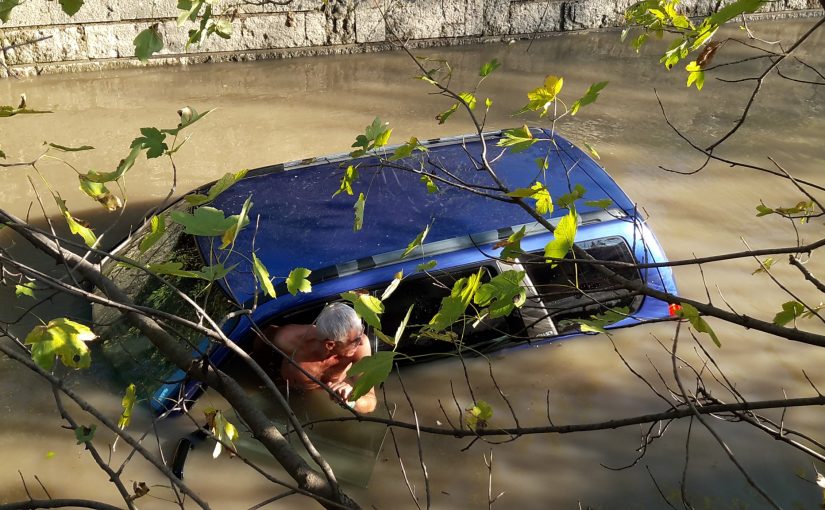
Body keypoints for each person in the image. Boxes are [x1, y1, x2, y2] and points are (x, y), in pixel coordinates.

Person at [259, 302, 377, 413]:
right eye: (355, 340)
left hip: (327, 398)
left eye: (362, 331)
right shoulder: (287, 339)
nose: (361, 341)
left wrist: (352, 399)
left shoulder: (361, 347)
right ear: (330, 344)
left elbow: (371, 401)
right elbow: (259, 339)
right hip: (287, 394)